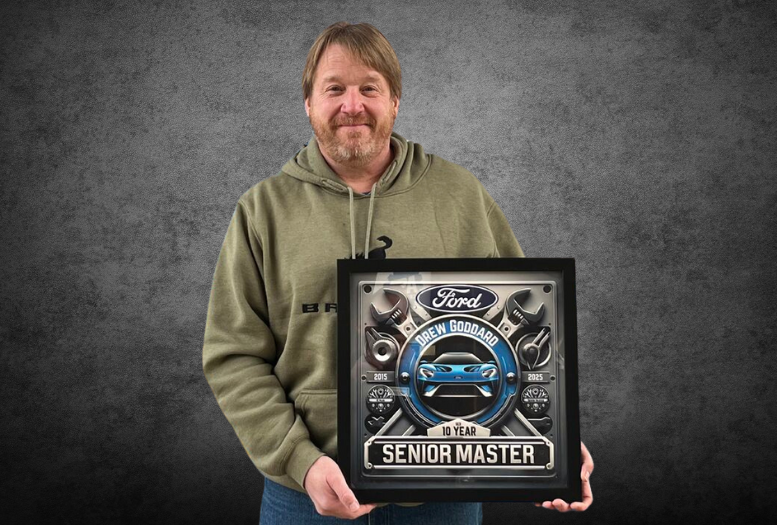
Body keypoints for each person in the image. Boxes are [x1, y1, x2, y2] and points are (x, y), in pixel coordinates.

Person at [202, 22, 593, 523]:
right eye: (334, 89)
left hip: (443, 497)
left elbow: (524, 333)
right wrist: (300, 461)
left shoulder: (459, 195)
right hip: (303, 495)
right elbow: (233, 356)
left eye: (370, 88)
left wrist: (549, 443)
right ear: (308, 103)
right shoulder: (262, 210)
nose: (352, 105)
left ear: (395, 101)